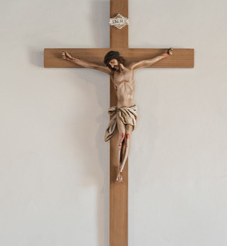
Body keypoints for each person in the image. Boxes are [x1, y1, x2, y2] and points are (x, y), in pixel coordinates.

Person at [60, 48, 173, 181]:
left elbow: (147, 62)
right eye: (109, 64)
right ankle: (119, 169)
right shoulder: (112, 73)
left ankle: (121, 168)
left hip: (131, 110)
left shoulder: (131, 68)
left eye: (112, 62)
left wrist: (164, 55)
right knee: (121, 138)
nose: (111, 65)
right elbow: (93, 66)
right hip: (120, 109)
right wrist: (72, 59)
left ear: (118, 59)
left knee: (128, 139)